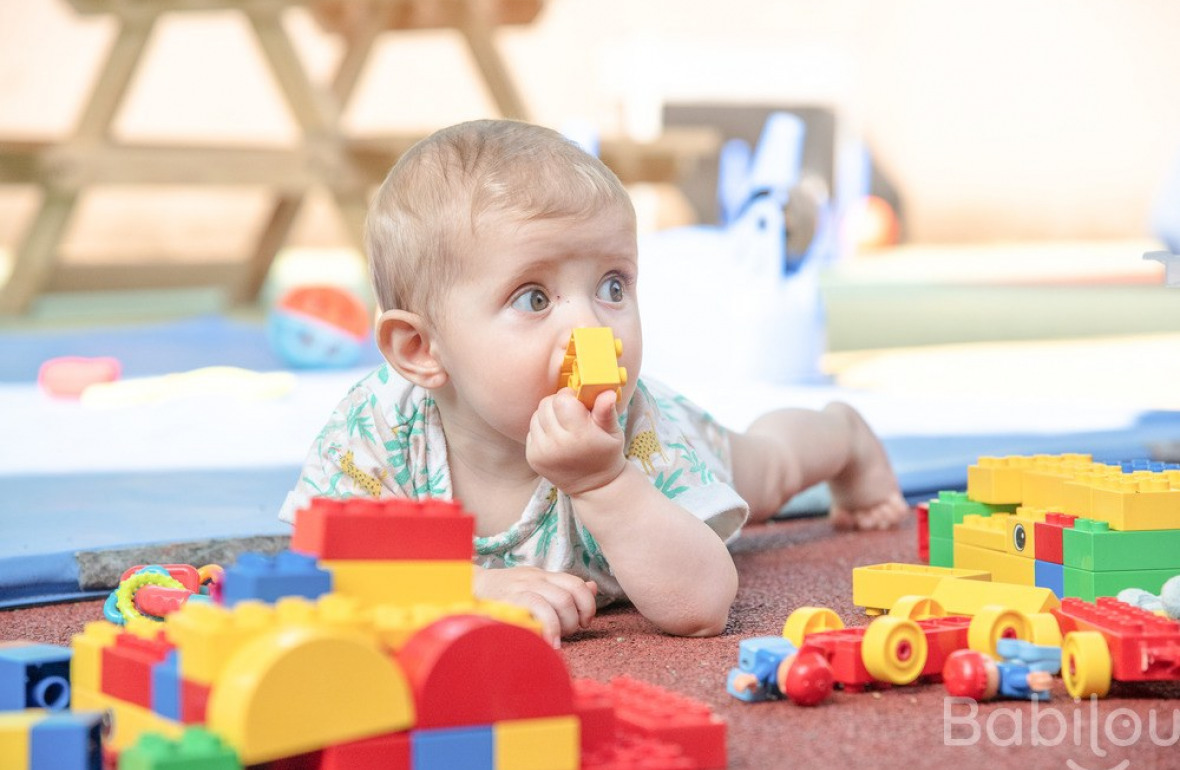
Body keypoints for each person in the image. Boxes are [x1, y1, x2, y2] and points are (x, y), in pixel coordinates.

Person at [280, 119, 908, 647]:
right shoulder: (378, 427)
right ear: (419, 349)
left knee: (766, 469)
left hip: (663, 453)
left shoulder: (633, 426)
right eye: (534, 298)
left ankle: (842, 434)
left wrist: (604, 483)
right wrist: (469, 587)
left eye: (612, 286)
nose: (591, 327)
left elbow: (703, 606)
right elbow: (318, 563)